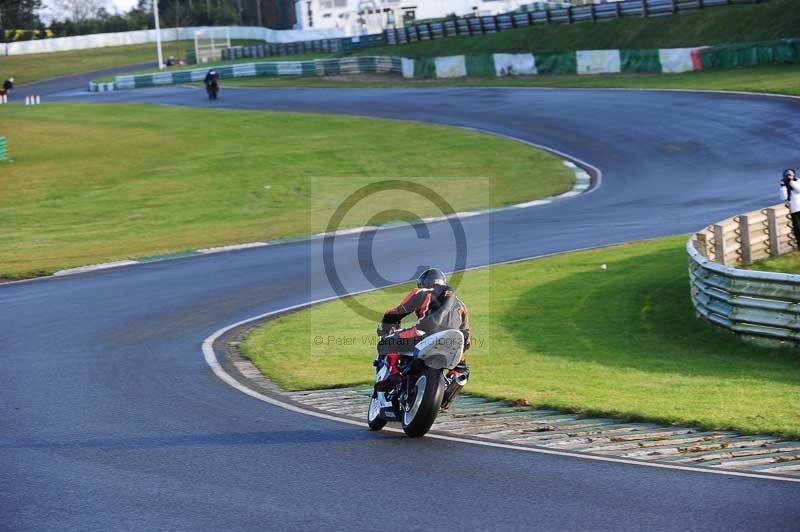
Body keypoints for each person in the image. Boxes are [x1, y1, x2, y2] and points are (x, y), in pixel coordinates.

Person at [375, 268, 471, 410]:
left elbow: (396, 313)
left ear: (424, 283)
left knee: (386, 343)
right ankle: (449, 390)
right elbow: (467, 337)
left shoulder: (422, 292)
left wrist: (384, 329)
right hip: (454, 341)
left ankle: (394, 373)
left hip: (424, 333)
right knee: (463, 369)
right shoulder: (461, 305)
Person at [781, 168, 800, 248]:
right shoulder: (785, 185)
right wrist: (783, 186)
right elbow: (783, 197)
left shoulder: (797, 181)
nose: (789, 177)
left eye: (791, 175)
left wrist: (792, 182)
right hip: (794, 209)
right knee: (797, 228)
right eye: (787, 175)